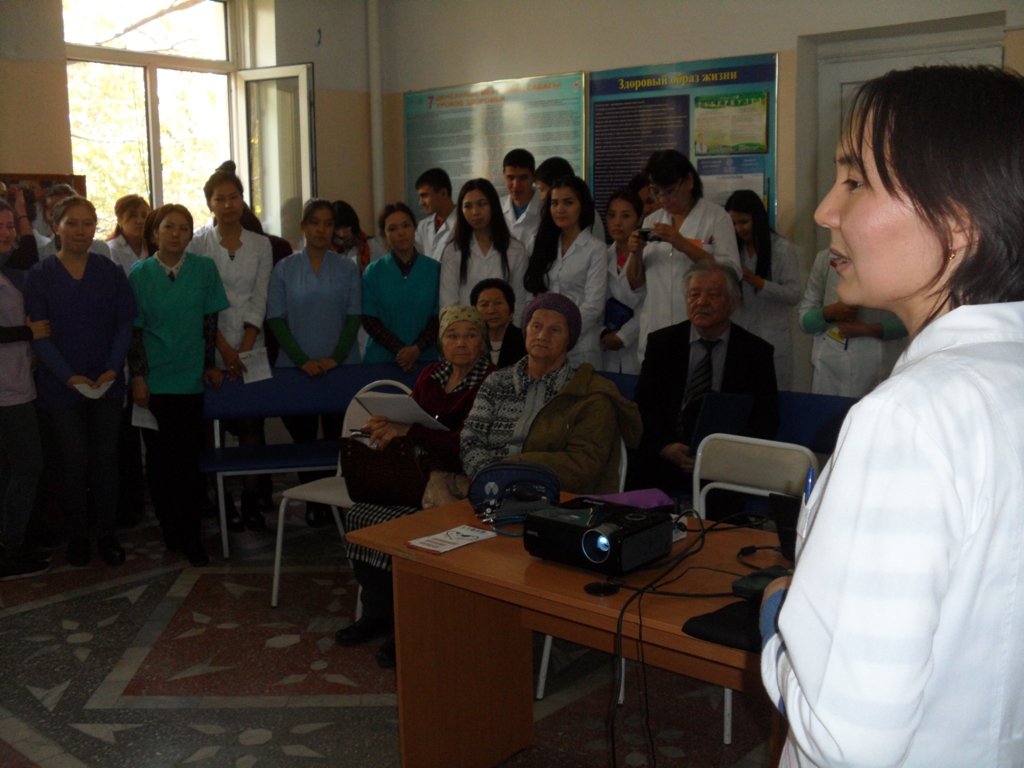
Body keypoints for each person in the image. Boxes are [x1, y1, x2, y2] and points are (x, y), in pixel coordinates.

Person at [760, 65, 1024, 767]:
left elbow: (845, 737)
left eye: (854, 180)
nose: (825, 210)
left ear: (959, 219)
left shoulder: (911, 419)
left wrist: (780, 621)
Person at [337, 306, 495, 668]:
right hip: (420, 477)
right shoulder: (431, 375)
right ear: (441, 343)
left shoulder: (492, 381)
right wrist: (387, 423)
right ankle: (377, 613)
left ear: (483, 343)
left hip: (460, 481)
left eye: (471, 335)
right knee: (362, 515)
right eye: (452, 335)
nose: (461, 343)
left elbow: (466, 446)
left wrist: (412, 431)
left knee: (406, 525)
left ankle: (409, 624)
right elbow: (409, 422)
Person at [23, 196, 137, 568]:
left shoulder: (110, 271)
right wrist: (68, 376)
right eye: (72, 223)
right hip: (61, 386)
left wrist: (112, 368)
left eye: (88, 223)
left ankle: (106, 534)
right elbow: (39, 334)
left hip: (106, 382)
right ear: (56, 226)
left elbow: (124, 323)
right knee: (72, 462)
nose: (80, 231)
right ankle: (77, 536)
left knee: (105, 460)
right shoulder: (40, 275)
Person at [128, 204, 230, 566]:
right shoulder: (140, 273)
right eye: (168, 227)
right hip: (153, 381)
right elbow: (134, 332)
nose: (176, 234)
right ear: (155, 232)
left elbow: (209, 322)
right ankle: (169, 528)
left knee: (188, 461)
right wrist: (139, 377)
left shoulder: (204, 269)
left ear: (191, 234)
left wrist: (209, 364)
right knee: (159, 463)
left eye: (184, 228)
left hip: (189, 379)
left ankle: (191, 536)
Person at [461, 293, 641, 494]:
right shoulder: (496, 382)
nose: (542, 336)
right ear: (526, 330)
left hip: (555, 499)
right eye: (536, 326)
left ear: (569, 339)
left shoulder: (590, 392)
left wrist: (508, 473)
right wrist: (489, 480)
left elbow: (582, 464)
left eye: (555, 329)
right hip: (488, 490)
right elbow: (471, 439)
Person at [630, 261, 778, 500]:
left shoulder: (755, 352)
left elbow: (765, 418)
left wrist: (720, 456)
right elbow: (644, 406)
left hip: (724, 464)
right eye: (694, 294)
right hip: (666, 454)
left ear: (733, 301)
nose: (701, 302)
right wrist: (666, 448)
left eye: (713, 294)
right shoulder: (663, 343)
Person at [266, 198, 361, 527]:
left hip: (340, 368)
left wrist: (335, 358)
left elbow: (354, 316)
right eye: (315, 222)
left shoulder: (347, 267)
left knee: (337, 439)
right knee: (304, 439)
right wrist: (302, 361)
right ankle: (311, 502)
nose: (322, 229)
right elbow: (276, 319)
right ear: (304, 226)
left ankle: (334, 502)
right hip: (296, 370)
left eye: (328, 224)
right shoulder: (285, 269)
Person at [190, 161, 273, 531]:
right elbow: (201, 301)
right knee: (214, 427)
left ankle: (251, 498)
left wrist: (246, 345)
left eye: (234, 197)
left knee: (252, 424)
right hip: (212, 345)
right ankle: (219, 499)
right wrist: (224, 349)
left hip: (253, 344)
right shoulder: (198, 244)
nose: (228, 205)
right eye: (219, 199)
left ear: (243, 200)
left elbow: (260, 295)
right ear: (209, 203)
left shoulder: (261, 244)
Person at [627, 149, 740, 362]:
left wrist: (682, 244)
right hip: (656, 328)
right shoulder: (652, 221)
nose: (663, 200)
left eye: (670, 191)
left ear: (689, 181)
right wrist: (636, 252)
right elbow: (636, 282)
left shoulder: (716, 217)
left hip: (700, 329)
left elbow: (732, 271)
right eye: (656, 192)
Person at [0, 197, 50, 579]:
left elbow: (30, 254)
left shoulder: (9, 268)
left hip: (16, 381)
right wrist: (27, 332)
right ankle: (9, 547)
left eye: (9, 226)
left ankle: (10, 542)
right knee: (28, 465)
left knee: (11, 469)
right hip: (6, 391)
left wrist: (21, 211)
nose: (7, 233)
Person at [798, 247, 907, 398]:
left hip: (877, 365)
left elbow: (913, 319)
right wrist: (830, 312)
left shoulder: (895, 260)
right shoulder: (825, 259)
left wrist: (869, 330)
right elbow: (804, 321)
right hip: (829, 366)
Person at [523, 176, 608, 368]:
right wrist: (540, 332)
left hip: (581, 345)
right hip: (542, 345)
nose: (560, 209)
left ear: (582, 206)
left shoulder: (595, 249)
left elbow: (593, 306)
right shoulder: (542, 244)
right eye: (555, 203)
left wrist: (561, 332)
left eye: (568, 203)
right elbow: (532, 295)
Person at [724, 190, 801, 390]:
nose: (739, 229)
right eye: (733, 223)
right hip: (739, 334)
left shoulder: (782, 248)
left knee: (773, 395)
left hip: (772, 338)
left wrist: (759, 283)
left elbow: (794, 294)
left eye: (743, 222)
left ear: (757, 218)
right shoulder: (731, 250)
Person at [361, 202, 440, 370]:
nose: (401, 233)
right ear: (384, 234)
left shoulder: (434, 269)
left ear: (414, 228)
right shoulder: (373, 272)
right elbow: (369, 320)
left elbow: (439, 317)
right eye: (392, 228)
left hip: (425, 359)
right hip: (382, 361)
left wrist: (416, 349)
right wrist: (401, 351)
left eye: (406, 225)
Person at [439, 178, 527, 314]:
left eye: (482, 204)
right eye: (467, 206)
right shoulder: (454, 251)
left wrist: (512, 327)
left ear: (493, 205)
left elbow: (520, 300)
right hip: (466, 325)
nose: (475, 212)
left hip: (505, 325)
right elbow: (448, 302)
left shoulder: (515, 249)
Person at [600, 189, 646, 374]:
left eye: (625, 216)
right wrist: (603, 333)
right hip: (606, 346)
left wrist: (624, 336)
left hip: (638, 343)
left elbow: (650, 303)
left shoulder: (648, 255)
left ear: (639, 219)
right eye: (612, 215)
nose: (617, 222)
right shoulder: (601, 257)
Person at [534, 156, 606, 241]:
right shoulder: (547, 213)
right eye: (555, 203)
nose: (541, 197)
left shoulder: (590, 216)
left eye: (542, 190)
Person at [35, 183, 112, 259]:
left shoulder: (100, 250)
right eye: (54, 213)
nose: (60, 218)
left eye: (87, 224)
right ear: (45, 216)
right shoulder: (41, 255)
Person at [471, 277, 525, 368]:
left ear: (511, 310)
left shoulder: (525, 341)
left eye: (498, 303)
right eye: (484, 305)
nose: (491, 310)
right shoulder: (470, 343)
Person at [500, 148, 544, 252]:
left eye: (523, 178)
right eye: (510, 178)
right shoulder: (496, 207)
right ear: (503, 175)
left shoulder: (545, 207)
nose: (516, 185)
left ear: (533, 177)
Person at [331, 200, 385, 275]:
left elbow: (386, 268)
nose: (342, 234)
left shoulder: (371, 245)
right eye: (337, 229)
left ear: (353, 224)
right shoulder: (326, 248)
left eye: (346, 227)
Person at [413, 167, 456, 262]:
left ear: (443, 193)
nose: (421, 202)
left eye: (425, 195)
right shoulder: (423, 226)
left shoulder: (463, 223)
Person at [106, 194, 150, 276]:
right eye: (133, 216)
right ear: (120, 221)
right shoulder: (112, 249)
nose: (140, 221)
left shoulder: (153, 248)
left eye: (144, 216)